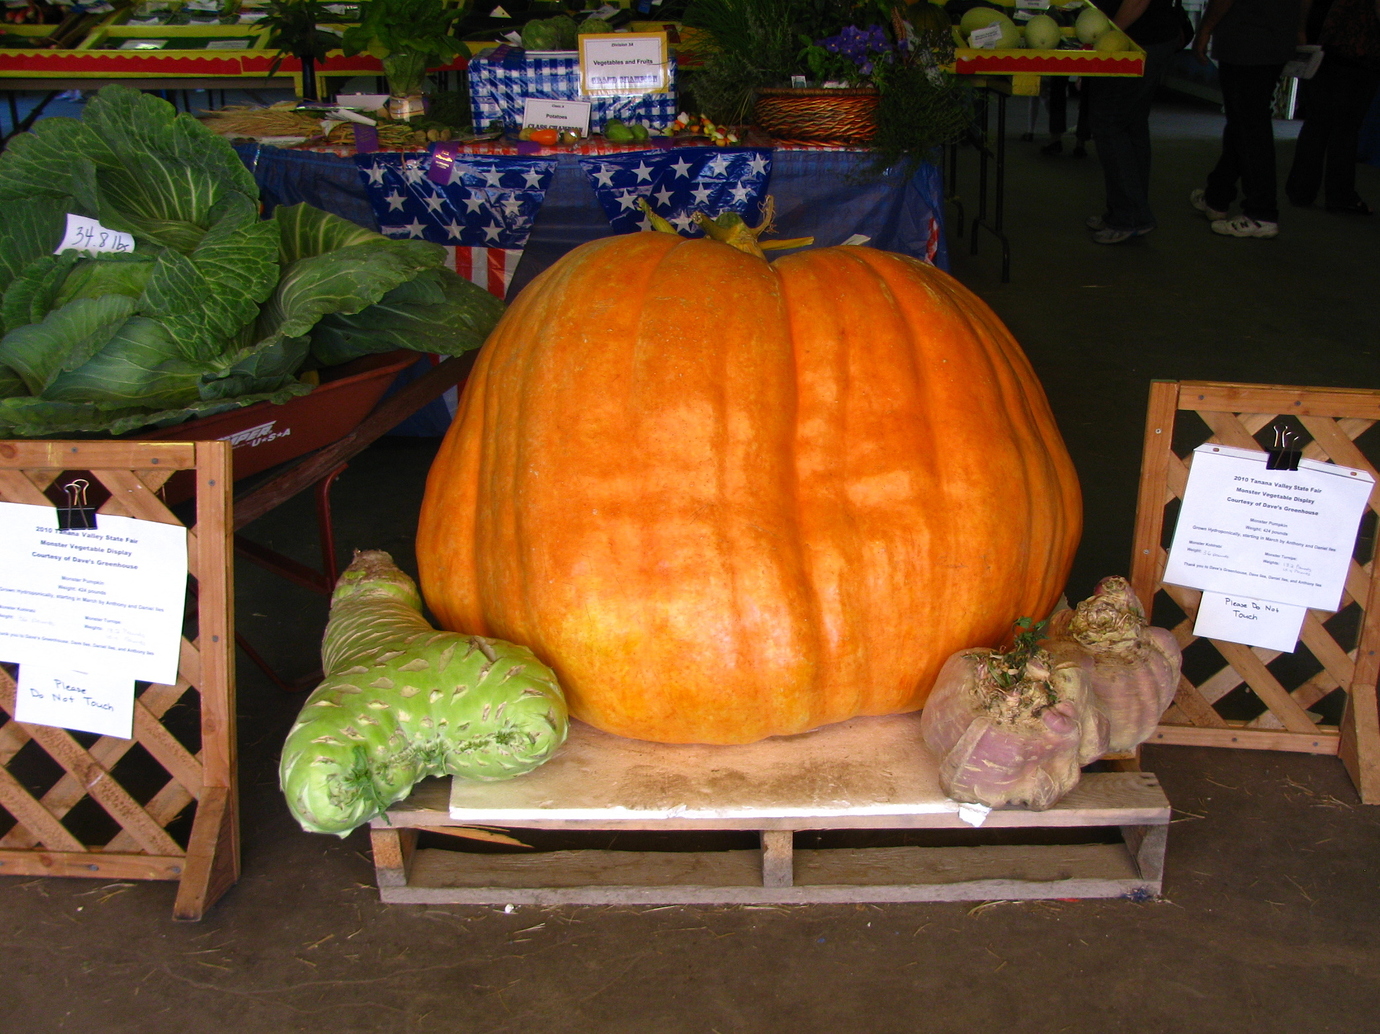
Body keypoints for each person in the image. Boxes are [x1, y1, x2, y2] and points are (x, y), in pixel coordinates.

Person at [1191, 0, 1306, 237]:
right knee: (1244, 124)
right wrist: (1298, 27)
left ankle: (1261, 213)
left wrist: (1205, 29)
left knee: (1250, 128)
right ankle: (1217, 196)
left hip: (1245, 39)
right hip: (1276, 38)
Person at [1084, 0, 1190, 244]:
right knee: (1131, 126)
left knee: (1110, 122)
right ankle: (1126, 212)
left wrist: (1108, 33)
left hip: (1139, 41)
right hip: (1141, 39)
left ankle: (1130, 217)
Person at [1285, 0, 1380, 214]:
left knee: (1316, 122)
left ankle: (1300, 190)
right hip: (1359, 51)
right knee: (1346, 129)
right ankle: (1340, 196)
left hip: (1321, 44)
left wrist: (1300, 30)